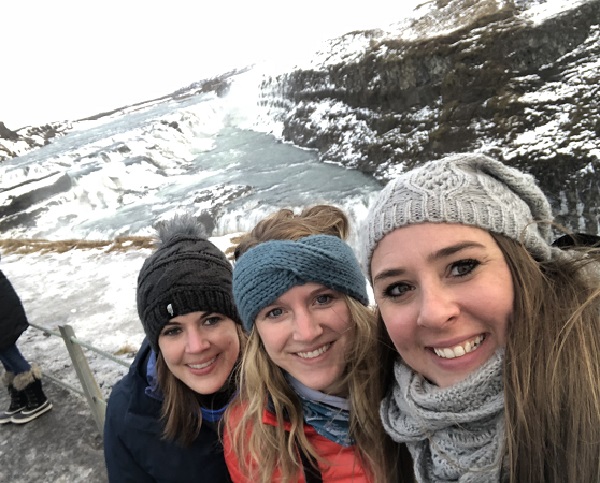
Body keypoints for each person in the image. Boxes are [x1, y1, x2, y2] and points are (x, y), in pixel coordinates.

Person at [362, 153, 600, 482]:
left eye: (463, 267)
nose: (434, 313)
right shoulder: (393, 425)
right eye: (399, 288)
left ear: (528, 266)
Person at [224, 205, 404, 483]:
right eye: (276, 312)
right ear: (256, 332)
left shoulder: (417, 384)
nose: (307, 333)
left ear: (354, 303)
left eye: (322, 299)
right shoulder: (249, 434)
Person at [103, 214, 244, 483]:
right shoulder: (129, 414)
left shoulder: (288, 381)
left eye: (211, 320)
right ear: (157, 344)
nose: (197, 346)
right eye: (174, 330)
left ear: (238, 322)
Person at [0, 267, 53, 425]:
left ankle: (39, 400)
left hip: (4, 315)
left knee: (7, 351)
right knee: (4, 354)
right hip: (5, 313)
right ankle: (21, 397)